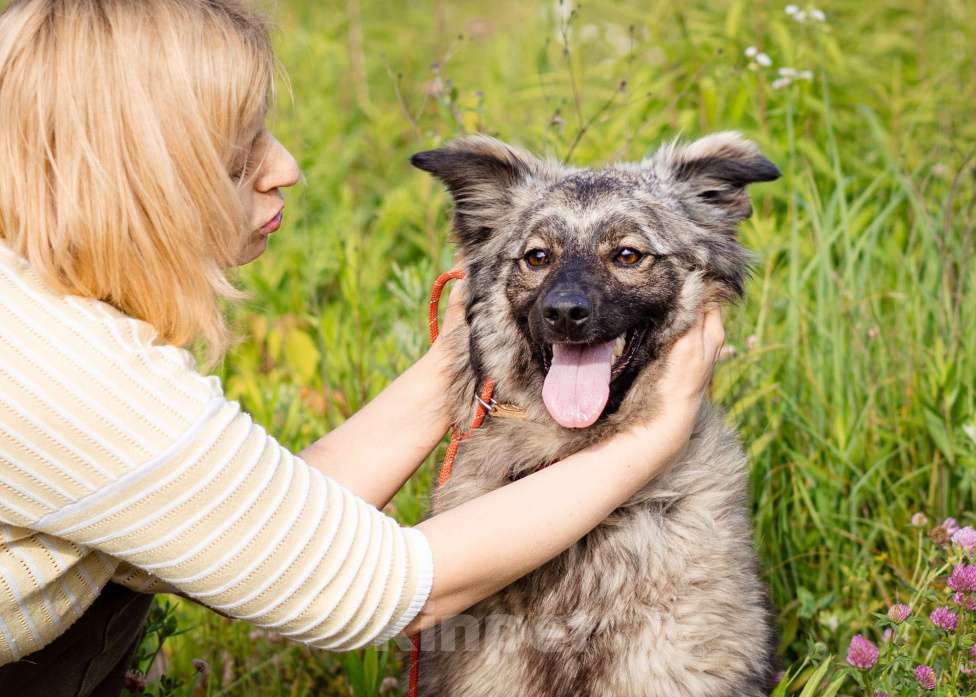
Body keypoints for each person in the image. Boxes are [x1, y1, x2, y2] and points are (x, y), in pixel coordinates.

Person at [0, 0, 726, 695]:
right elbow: (382, 586)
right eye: (236, 152)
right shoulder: (68, 379)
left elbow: (261, 531)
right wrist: (657, 434)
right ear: (138, 178)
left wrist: (469, 348)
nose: (285, 165)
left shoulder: (40, 309)